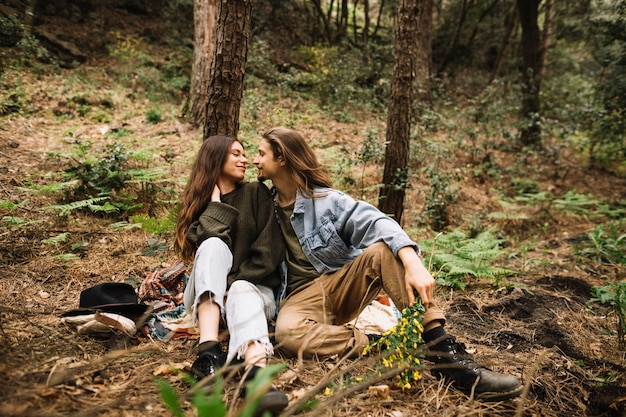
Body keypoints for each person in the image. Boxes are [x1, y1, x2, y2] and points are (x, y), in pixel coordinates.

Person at [253, 126, 523, 402]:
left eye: (261, 154)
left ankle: (445, 353)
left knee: (383, 250)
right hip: (300, 298)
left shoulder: (326, 202)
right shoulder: (262, 205)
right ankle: (382, 344)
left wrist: (413, 263)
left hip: (341, 285)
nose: (255, 160)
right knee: (287, 337)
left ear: (282, 158)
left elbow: (377, 222)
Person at [174, 135, 288, 414]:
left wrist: (233, 285)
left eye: (245, 154)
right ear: (215, 159)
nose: (245, 159)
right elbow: (204, 246)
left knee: (240, 289)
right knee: (212, 244)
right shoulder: (202, 205)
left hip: (252, 293)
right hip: (207, 301)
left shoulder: (255, 193)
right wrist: (215, 205)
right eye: (236, 154)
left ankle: (257, 377)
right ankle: (209, 354)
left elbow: (268, 253)